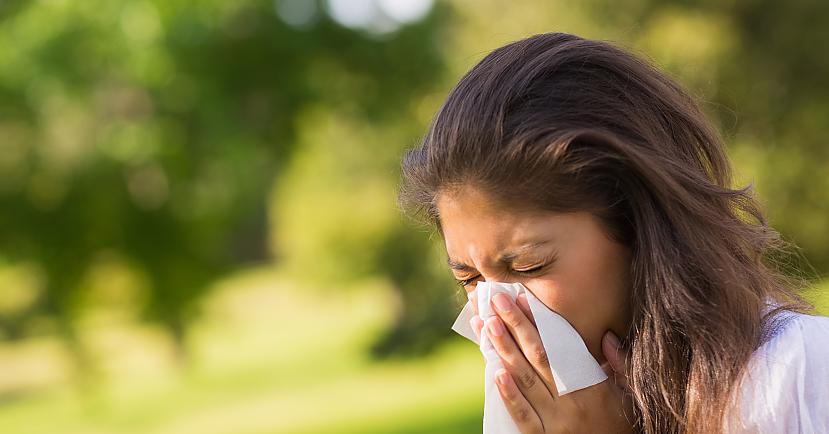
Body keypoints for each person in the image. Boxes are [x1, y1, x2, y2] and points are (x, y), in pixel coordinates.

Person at [397, 32, 829, 433]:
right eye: (470, 280)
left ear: (638, 227)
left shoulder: (795, 374)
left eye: (530, 264)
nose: (495, 318)